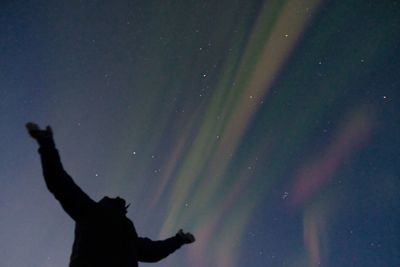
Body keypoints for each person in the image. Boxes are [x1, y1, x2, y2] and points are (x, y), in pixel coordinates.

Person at [26, 122, 195, 267]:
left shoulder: (124, 231)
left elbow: (154, 252)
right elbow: (59, 181)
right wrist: (46, 144)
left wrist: (178, 240)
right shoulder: (92, 213)